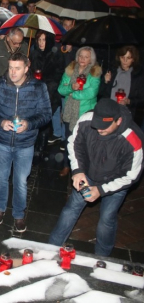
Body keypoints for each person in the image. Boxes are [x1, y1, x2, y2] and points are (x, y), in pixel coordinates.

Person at [49, 98, 144, 256]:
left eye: (105, 127)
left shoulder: (133, 140)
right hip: (88, 174)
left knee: (106, 219)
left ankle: (103, 257)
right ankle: (51, 248)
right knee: (71, 209)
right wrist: (78, 170)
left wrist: (101, 190)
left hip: (115, 182)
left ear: (118, 121)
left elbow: (132, 176)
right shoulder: (87, 120)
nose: (99, 129)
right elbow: (74, 143)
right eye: (97, 125)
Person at [0, 52, 51, 232]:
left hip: (26, 143)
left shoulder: (38, 87)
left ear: (26, 68)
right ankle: (0, 208)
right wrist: (1, 122)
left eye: (17, 68)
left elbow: (46, 114)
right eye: (10, 68)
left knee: (21, 181)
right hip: (2, 140)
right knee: (1, 178)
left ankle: (19, 214)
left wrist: (29, 124)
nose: (13, 72)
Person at [58, 46, 102, 177]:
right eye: (80, 56)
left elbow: (92, 92)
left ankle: (81, 168)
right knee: (69, 140)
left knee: (83, 142)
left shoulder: (95, 72)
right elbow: (61, 89)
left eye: (86, 57)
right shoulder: (70, 70)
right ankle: (66, 165)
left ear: (91, 59)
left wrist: (74, 94)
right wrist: (71, 87)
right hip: (70, 113)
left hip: (85, 113)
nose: (82, 59)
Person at [29, 31, 64, 155]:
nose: (41, 43)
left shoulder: (55, 55)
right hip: (34, 92)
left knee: (44, 120)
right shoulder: (34, 54)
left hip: (50, 93)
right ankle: (33, 146)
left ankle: (41, 149)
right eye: (39, 40)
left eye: (44, 40)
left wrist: (45, 87)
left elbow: (58, 75)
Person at [99, 45, 144, 120]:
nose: (125, 61)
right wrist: (105, 82)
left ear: (133, 59)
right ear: (119, 58)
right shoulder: (112, 72)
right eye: (122, 57)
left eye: (128, 58)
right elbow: (101, 92)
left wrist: (129, 101)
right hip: (109, 111)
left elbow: (141, 99)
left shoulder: (137, 76)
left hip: (126, 114)